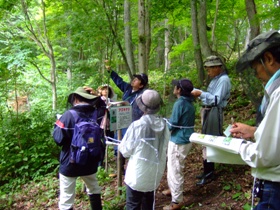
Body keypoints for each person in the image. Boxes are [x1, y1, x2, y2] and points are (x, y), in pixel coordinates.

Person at [229, 30, 280, 209]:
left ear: (269, 59)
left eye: (255, 67)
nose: (256, 74)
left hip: (275, 188)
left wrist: (235, 147)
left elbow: (265, 156)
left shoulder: (279, 92)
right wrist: (255, 131)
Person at [118, 89, 170, 210]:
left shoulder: (137, 126)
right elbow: (165, 145)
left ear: (142, 106)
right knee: (148, 203)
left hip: (137, 174)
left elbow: (125, 151)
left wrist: (121, 145)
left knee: (132, 205)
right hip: (155, 173)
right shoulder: (164, 125)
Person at [53, 87, 103, 210]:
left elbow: (58, 139)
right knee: (94, 188)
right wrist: (97, 96)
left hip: (70, 162)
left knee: (66, 198)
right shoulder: (96, 114)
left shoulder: (67, 115)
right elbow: (104, 107)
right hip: (90, 160)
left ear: (75, 99)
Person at [191, 55, 231, 185]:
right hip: (208, 111)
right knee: (206, 141)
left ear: (217, 67)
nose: (208, 72)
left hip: (214, 111)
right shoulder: (215, 79)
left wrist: (201, 94)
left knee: (211, 140)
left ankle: (210, 173)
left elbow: (216, 99)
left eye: (209, 69)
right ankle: (206, 170)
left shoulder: (223, 80)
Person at [106, 65, 149, 175]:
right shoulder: (127, 89)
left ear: (141, 85)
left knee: (131, 145)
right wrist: (110, 71)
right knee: (119, 142)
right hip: (122, 121)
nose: (133, 80)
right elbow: (118, 81)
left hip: (134, 123)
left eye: (137, 80)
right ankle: (120, 169)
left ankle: (132, 169)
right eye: (134, 78)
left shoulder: (143, 95)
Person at [162, 79, 196, 210]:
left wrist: (163, 129)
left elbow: (173, 124)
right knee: (173, 166)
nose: (173, 88)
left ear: (179, 90)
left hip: (179, 140)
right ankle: (173, 189)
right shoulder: (190, 102)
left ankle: (177, 201)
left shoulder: (180, 103)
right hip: (185, 138)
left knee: (175, 169)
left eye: (175, 86)